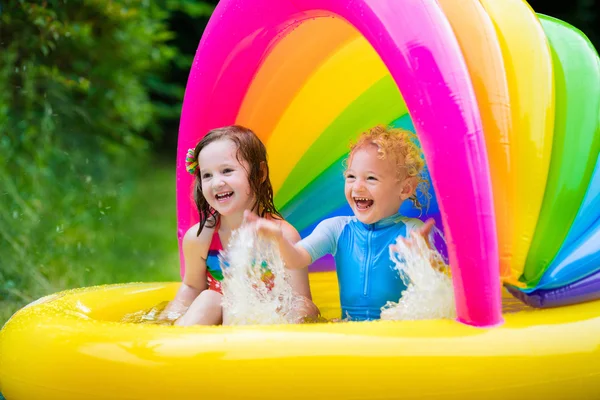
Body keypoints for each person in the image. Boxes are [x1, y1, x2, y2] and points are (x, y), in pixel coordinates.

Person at [245, 125, 434, 321]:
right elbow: (296, 259)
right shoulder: (336, 228)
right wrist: (278, 239)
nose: (357, 186)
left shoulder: (413, 232)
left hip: (395, 331)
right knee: (302, 316)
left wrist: (424, 259)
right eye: (351, 176)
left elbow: (435, 292)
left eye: (371, 178)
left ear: (405, 189)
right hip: (348, 328)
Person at [161, 125, 319, 325]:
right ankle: (177, 346)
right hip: (216, 321)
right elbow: (192, 287)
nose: (216, 182)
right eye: (207, 175)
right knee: (209, 299)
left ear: (259, 173)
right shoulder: (200, 238)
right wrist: (165, 321)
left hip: (264, 324)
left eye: (227, 171)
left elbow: (301, 301)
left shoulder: (282, 236)